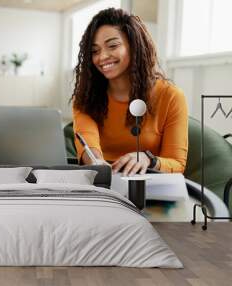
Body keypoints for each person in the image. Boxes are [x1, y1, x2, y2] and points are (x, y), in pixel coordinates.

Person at [72, 8, 188, 176]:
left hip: (149, 186)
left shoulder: (171, 96)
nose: (102, 56)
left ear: (134, 46)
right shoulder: (86, 96)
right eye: (95, 51)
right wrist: (96, 163)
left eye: (112, 46)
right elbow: (88, 143)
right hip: (103, 183)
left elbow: (177, 163)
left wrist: (148, 159)